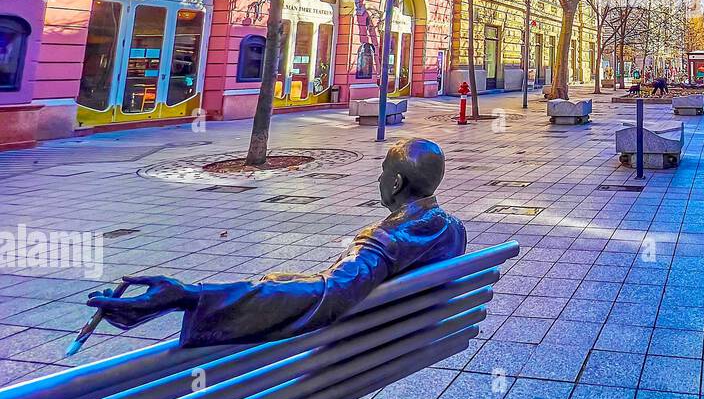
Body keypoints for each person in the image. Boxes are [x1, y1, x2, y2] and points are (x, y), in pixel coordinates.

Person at [86, 139, 467, 348]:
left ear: (396, 184)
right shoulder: (454, 229)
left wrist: (189, 296)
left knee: (267, 307)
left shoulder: (383, 242)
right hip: (403, 338)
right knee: (279, 278)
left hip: (344, 350)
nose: (379, 179)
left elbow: (331, 293)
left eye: (383, 171)